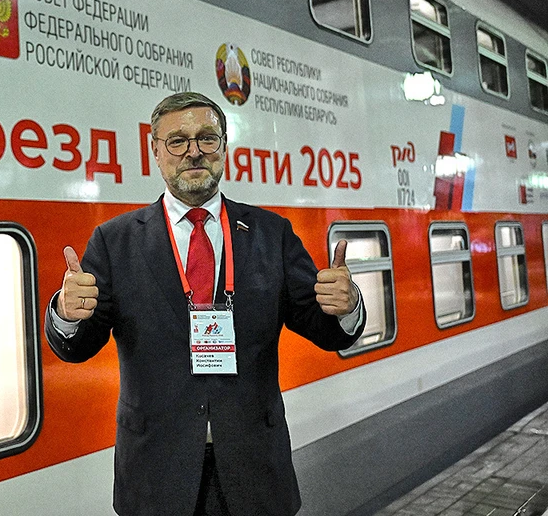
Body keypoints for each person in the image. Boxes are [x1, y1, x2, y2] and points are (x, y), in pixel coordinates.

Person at [45, 92, 365, 516]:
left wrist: (347, 306)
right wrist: (66, 314)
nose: (193, 151)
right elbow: (78, 345)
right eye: (177, 141)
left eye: (207, 138)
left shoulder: (272, 233)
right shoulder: (114, 241)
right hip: (156, 473)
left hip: (255, 468)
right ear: (155, 151)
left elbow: (323, 328)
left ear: (224, 147)